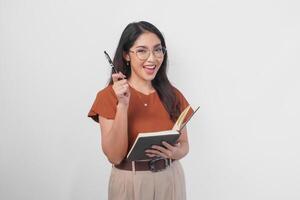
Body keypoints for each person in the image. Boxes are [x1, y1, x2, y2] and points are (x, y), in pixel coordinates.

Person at [88, 21, 193, 200]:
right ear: (126, 55)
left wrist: (175, 153)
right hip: (130, 182)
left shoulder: (172, 94)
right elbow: (114, 156)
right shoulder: (108, 96)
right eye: (142, 50)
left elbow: (184, 145)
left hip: (170, 178)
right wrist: (122, 105)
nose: (152, 58)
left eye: (158, 50)